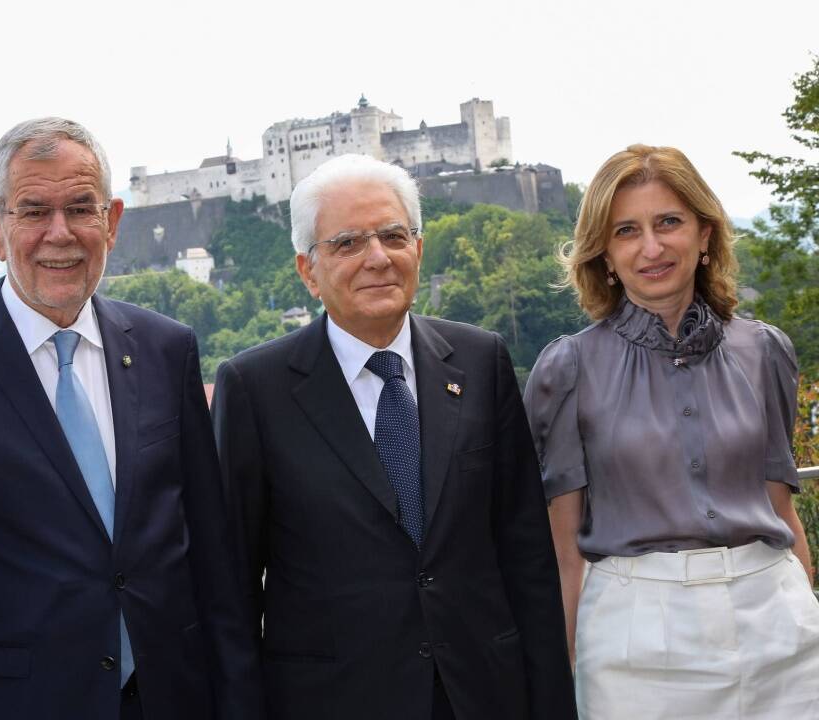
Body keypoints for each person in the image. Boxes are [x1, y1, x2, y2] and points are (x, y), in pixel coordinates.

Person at [0, 117, 262, 720]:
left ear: (112, 220)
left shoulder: (167, 348)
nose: (60, 234)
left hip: (174, 696)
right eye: (33, 211)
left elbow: (212, 558)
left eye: (81, 209)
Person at [211, 153, 576, 720]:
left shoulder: (481, 362)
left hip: (482, 694)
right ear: (308, 270)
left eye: (392, 235)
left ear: (419, 249)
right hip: (332, 701)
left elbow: (525, 555)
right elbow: (230, 590)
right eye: (348, 243)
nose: (377, 258)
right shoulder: (254, 389)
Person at [526, 144, 819, 718]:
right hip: (636, 647)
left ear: (705, 234)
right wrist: (560, 675)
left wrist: (805, 609)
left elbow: (781, 510)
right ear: (604, 255)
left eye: (669, 223)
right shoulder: (568, 370)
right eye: (626, 231)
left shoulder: (763, 351)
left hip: (780, 628)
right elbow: (564, 552)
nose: (652, 247)